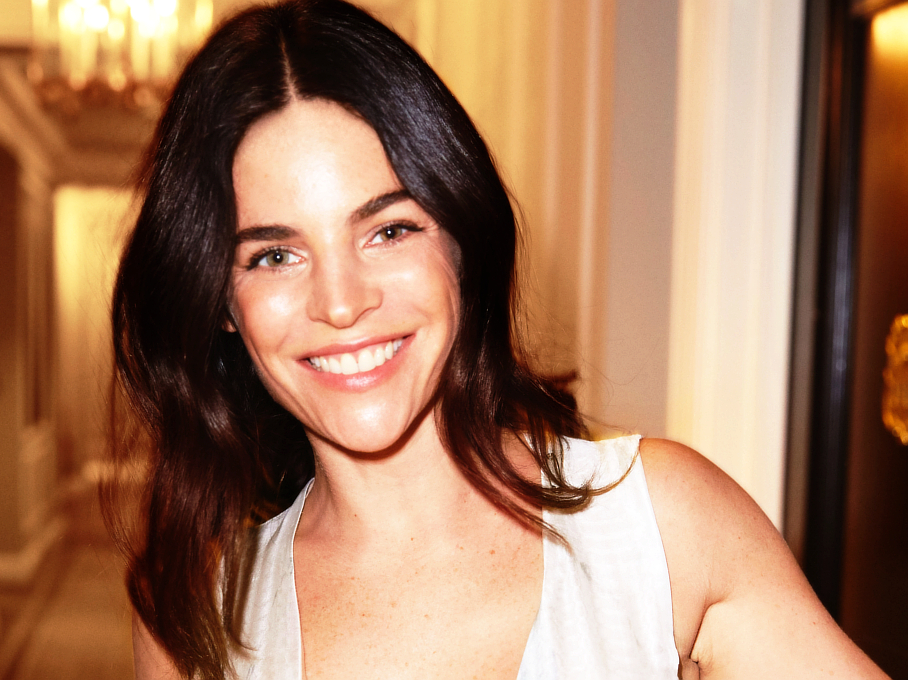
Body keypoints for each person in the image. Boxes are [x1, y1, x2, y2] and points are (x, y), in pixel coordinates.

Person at [109, 1, 888, 678]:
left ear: (460, 240)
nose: (341, 304)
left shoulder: (660, 530)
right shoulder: (194, 611)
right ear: (221, 300)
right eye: (275, 256)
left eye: (389, 230)